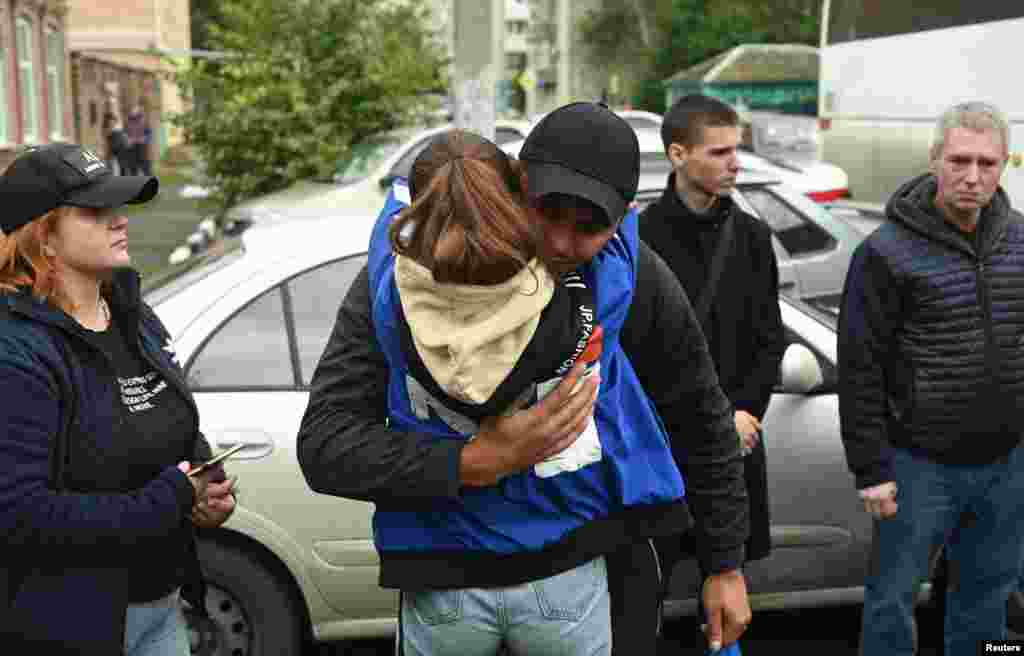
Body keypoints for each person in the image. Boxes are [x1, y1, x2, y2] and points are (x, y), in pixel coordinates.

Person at [298, 102, 752, 656]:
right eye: (547, 212)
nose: (561, 243)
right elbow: (324, 444)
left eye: (589, 227)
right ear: (515, 185)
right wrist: (473, 462)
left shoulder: (631, 276)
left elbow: (700, 415)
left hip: (597, 564)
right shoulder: (408, 279)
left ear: (624, 218)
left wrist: (724, 563)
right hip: (449, 577)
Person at [0, 143, 237, 655]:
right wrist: (172, 497)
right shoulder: (16, 350)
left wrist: (201, 479)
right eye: (95, 211)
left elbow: (163, 422)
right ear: (44, 237)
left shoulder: (131, 314)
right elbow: (20, 515)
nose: (119, 221)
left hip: (161, 607)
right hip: (70, 628)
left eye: (118, 206)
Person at [838, 101, 1024, 655]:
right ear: (933, 160)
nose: (973, 177)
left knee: (988, 597)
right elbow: (860, 365)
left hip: (1006, 462)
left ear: (1006, 164)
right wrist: (871, 468)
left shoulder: (1020, 240)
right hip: (919, 465)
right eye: (959, 160)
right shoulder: (885, 252)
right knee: (893, 600)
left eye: (987, 164)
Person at [639, 94, 785, 654]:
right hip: (659, 444)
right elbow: (629, 352)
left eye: (737, 150)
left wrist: (745, 412)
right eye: (719, 151)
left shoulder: (752, 237)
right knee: (640, 591)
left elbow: (769, 339)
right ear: (678, 154)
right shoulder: (638, 238)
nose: (735, 163)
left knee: (725, 592)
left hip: (731, 447)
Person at [125, 104, 153, 176]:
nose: (134, 113)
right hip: (131, 149)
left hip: (142, 148)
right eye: (132, 111)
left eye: (136, 111)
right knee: (133, 170)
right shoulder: (128, 123)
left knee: (146, 169)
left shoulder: (144, 123)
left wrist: (144, 139)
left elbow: (149, 135)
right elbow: (124, 135)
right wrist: (128, 139)